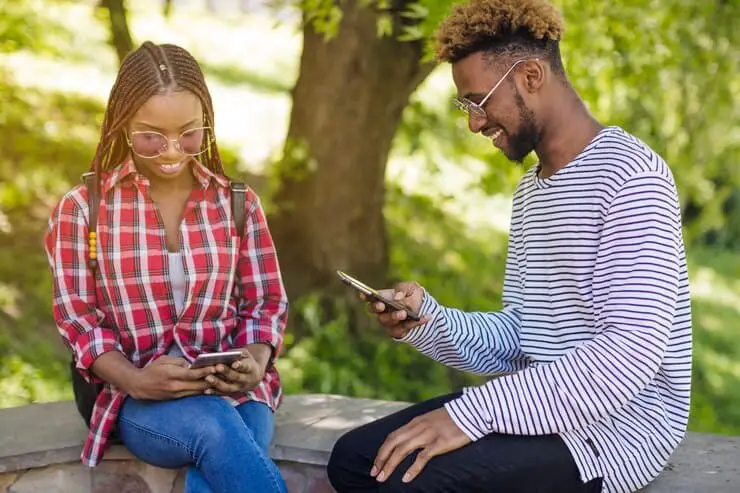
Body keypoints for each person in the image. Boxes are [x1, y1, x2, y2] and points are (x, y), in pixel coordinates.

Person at [326, 0, 692, 492]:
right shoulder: (532, 192)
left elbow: (627, 357)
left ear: (531, 76)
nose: (474, 122)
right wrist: (427, 321)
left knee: (402, 482)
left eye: (479, 100)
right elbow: (523, 337)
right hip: (544, 407)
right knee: (354, 459)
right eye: (466, 106)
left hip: (615, 433)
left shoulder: (632, 179)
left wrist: (470, 416)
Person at [44, 41, 289, 493]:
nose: (172, 150)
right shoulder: (84, 209)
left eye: (190, 133)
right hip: (140, 400)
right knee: (216, 428)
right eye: (150, 135)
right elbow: (78, 319)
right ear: (123, 126)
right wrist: (137, 379)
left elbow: (266, 302)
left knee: (218, 457)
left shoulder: (238, 204)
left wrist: (255, 362)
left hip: (237, 393)